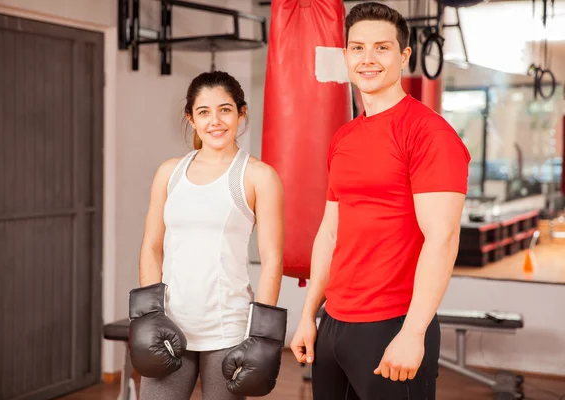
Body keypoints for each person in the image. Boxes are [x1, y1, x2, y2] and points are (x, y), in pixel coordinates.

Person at [290, 2, 471, 399]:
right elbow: (330, 231)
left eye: (381, 48)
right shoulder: (344, 138)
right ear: (346, 55)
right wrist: (308, 314)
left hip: (392, 324)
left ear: (404, 55)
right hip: (333, 323)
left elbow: (442, 239)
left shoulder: (429, 134)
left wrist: (413, 332)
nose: (367, 59)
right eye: (357, 48)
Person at [129, 71, 287, 400]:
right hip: (170, 326)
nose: (215, 121)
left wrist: (263, 335)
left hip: (228, 329)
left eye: (225, 109)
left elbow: (272, 259)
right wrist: (150, 317)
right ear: (191, 118)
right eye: (203, 112)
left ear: (242, 113)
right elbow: (152, 246)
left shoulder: (258, 176)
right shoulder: (169, 172)